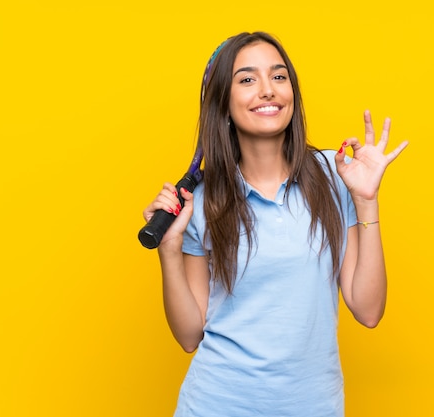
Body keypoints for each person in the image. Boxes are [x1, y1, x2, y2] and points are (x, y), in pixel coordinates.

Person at [143, 31, 408, 417]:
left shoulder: (335, 176)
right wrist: (169, 250)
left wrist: (366, 201)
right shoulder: (201, 201)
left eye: (279, 76)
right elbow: (188, 336)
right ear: (224, 103)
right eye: (247, 79)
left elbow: (368, 311)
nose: (267, 90)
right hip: (216, 405)